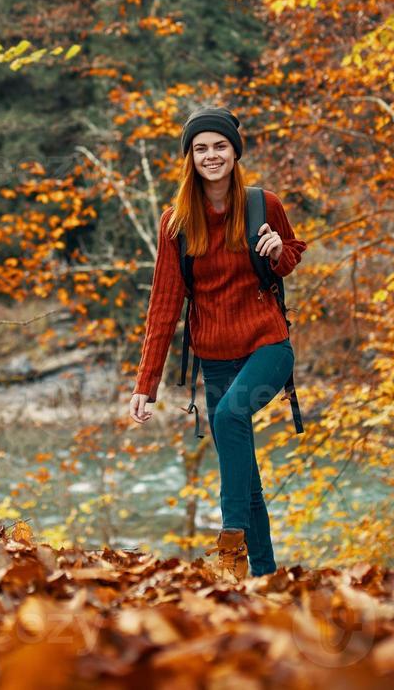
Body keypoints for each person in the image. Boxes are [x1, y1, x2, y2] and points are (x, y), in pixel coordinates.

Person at [126, 105, 307, 580]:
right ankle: (264, 576)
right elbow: (164, 306)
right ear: (190, 157)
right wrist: (145, 383)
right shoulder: (176, 223)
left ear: (234, 152)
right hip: (215, 358)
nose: (211, 156)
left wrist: (276, 252)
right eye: (201, 148)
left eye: (220, 146)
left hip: (268, 344)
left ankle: (229, 545)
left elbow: (289, 255)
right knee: (246, 477)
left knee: (229, 415)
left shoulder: (263, 204)